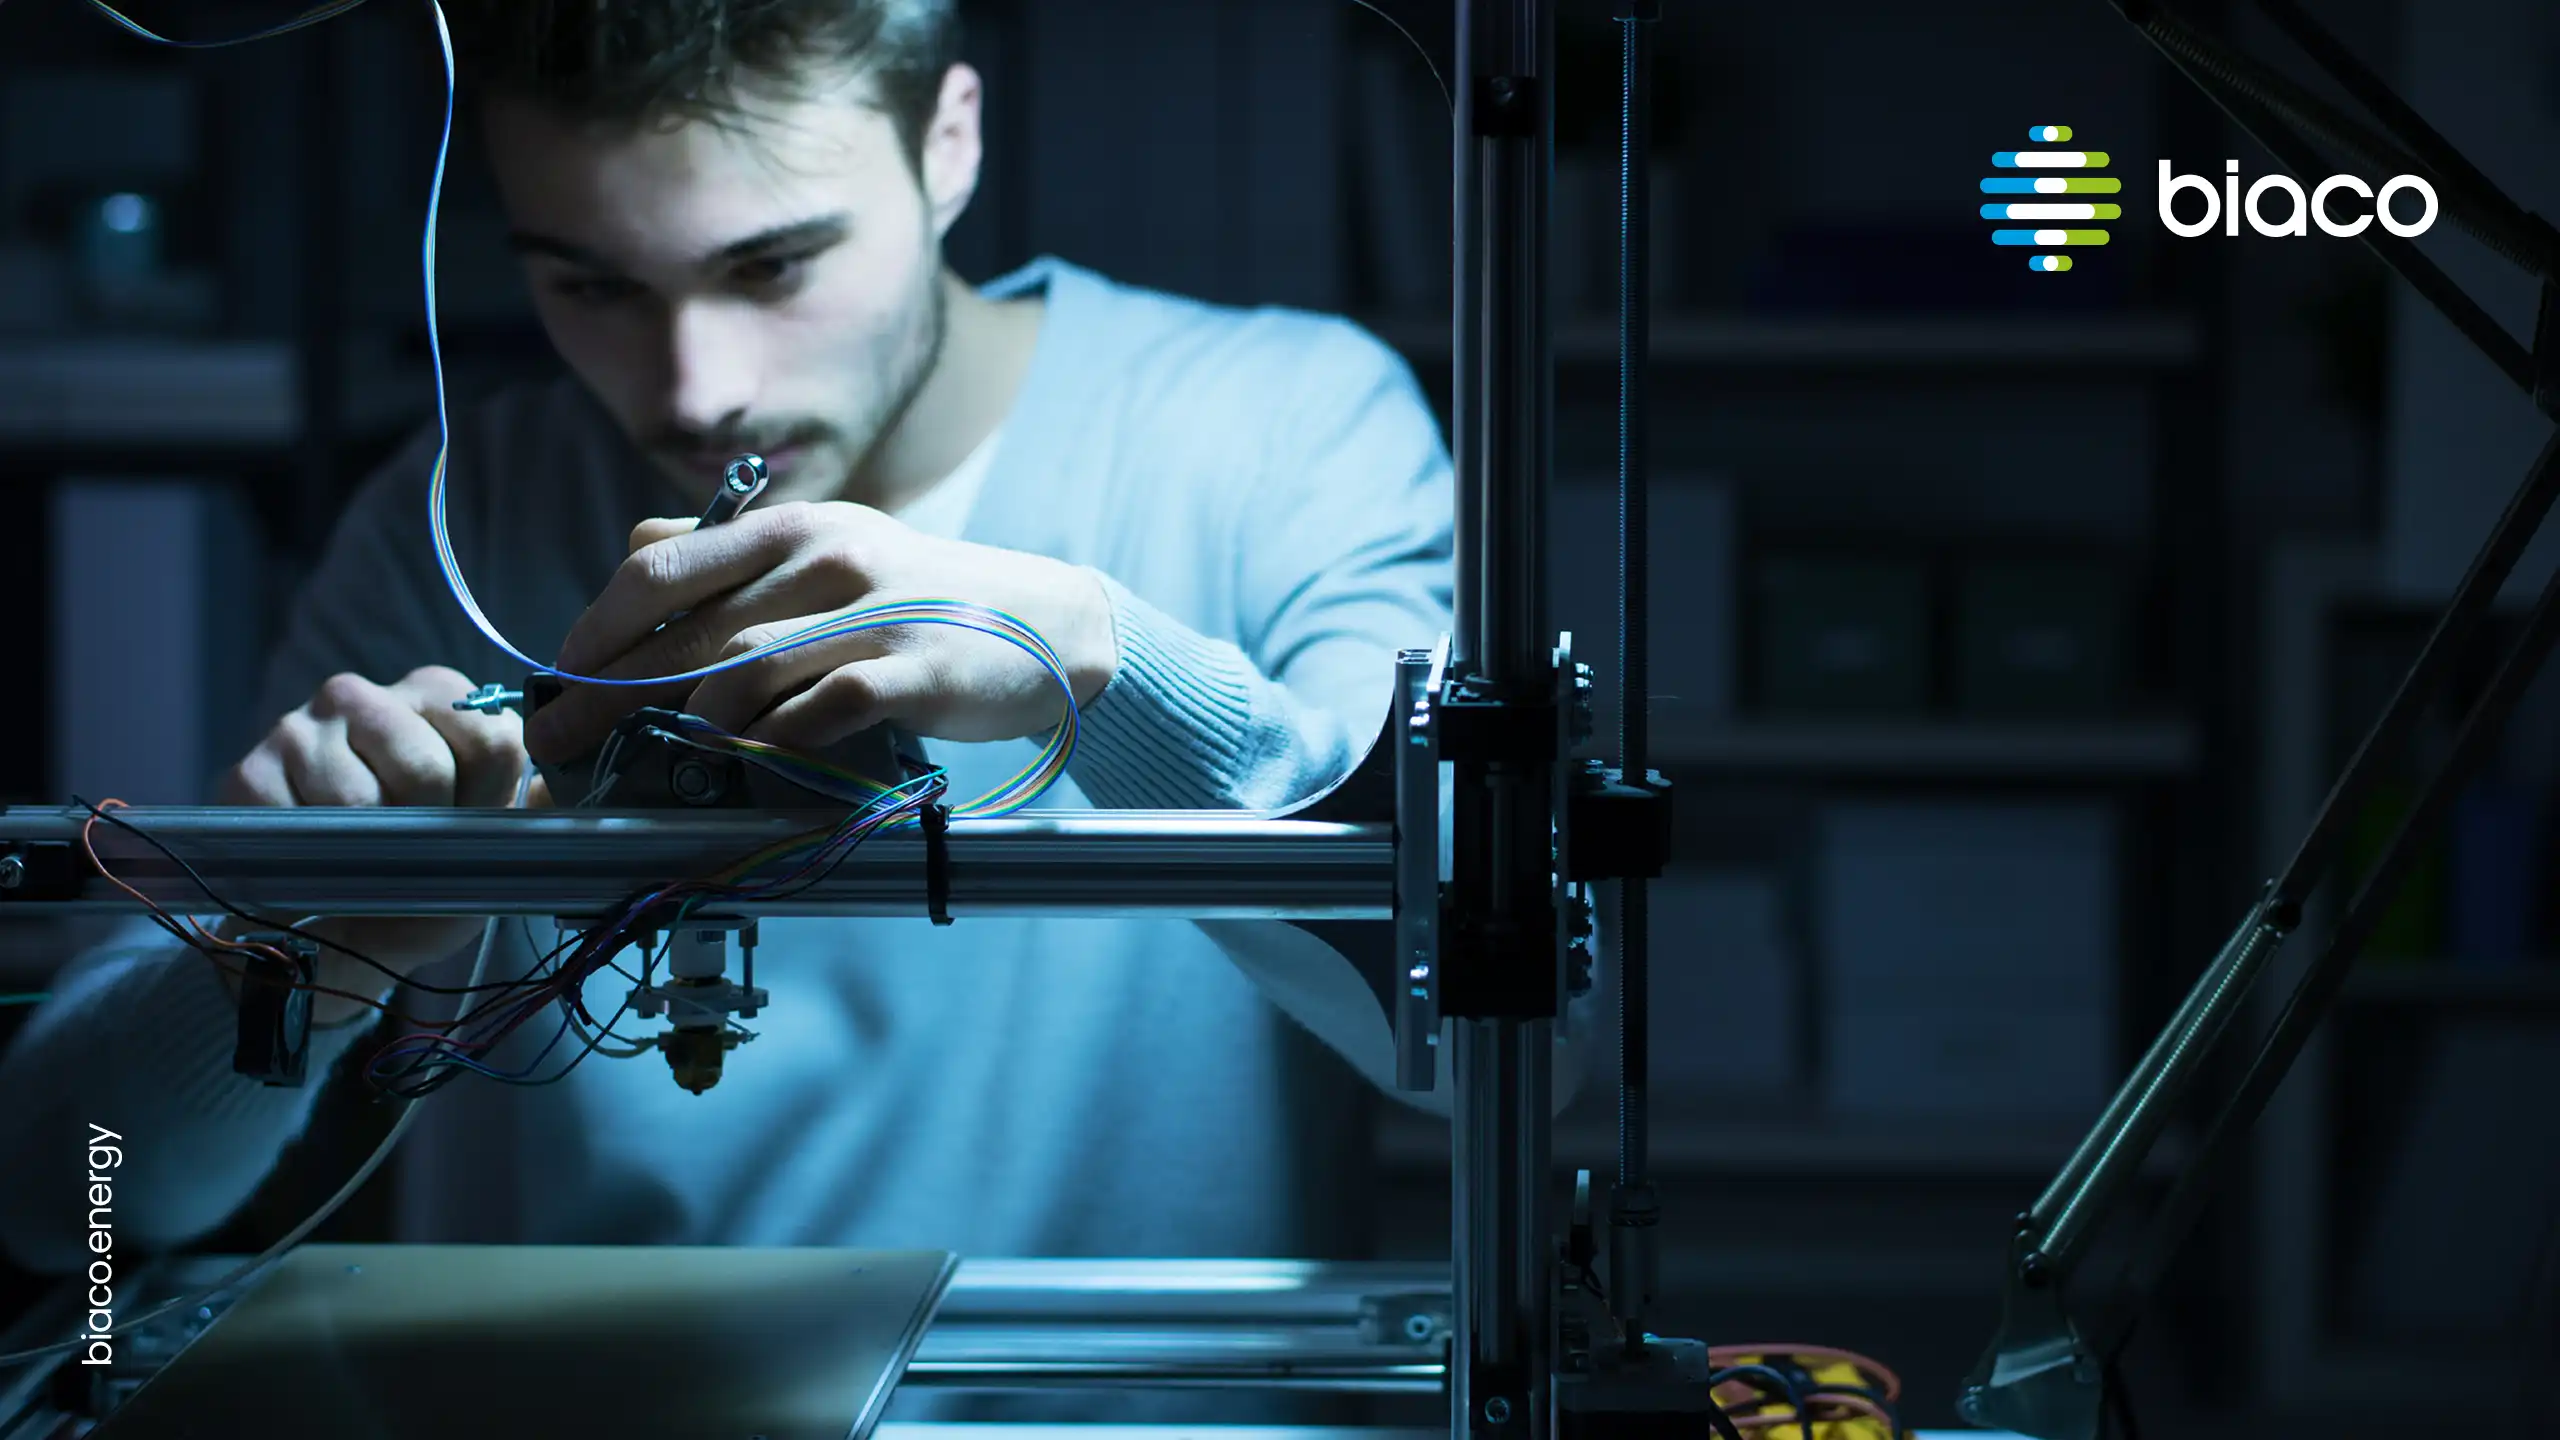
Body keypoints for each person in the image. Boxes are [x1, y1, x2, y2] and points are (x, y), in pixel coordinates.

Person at [0, 0, 1586, 1300]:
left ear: (948, 141)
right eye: (590, 283)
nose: (695, 390)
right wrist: (318, 951)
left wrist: (1105, 665)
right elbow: (59, 1200)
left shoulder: (1279, 427)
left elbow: (1515, 1058)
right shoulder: (468, 515)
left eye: (774, 267)